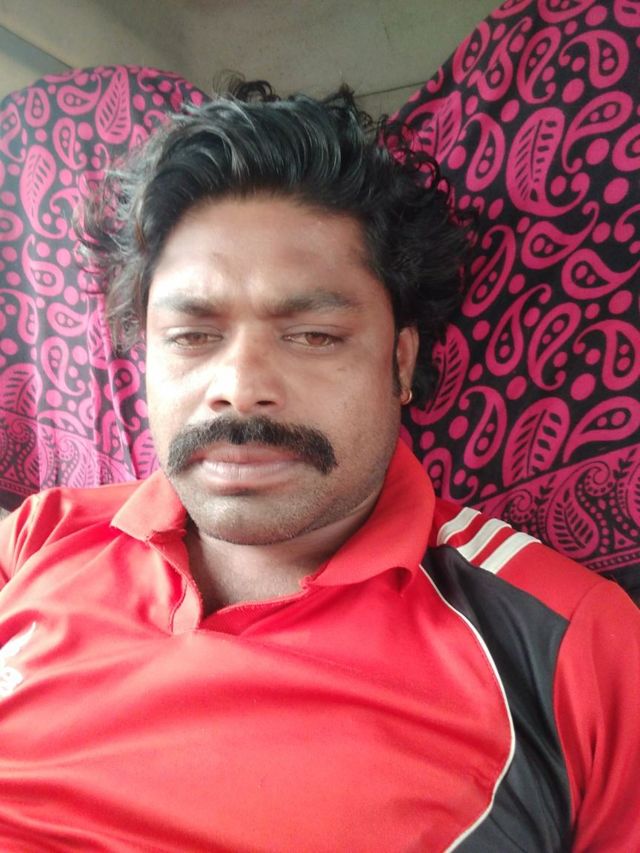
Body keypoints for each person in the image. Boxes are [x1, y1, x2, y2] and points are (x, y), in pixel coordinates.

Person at [0, 81, 638, 852]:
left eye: (312, 335)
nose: (239, 385)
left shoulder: (574, 648)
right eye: (192, 335)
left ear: (400, 360)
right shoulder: (42, 535)